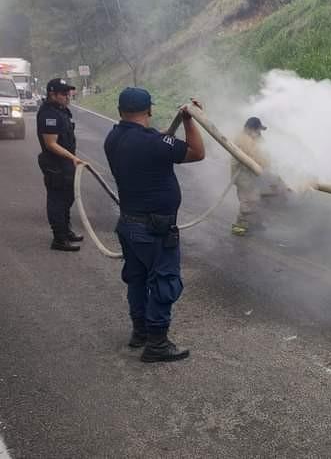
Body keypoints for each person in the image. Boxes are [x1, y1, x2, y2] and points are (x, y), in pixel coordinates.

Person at [104, 88, 205, 363]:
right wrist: (189, 120)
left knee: (136, 280)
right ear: (149, 111)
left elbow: (156, 142)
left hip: (128, 225)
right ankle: (157, 344)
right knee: (163, 282)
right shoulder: (154, 141)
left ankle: (140, 332)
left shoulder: (114, 137)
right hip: (154, 229)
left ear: (119, 110)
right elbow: (197, 152)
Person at [36, 78, 85, 251]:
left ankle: (66, 230)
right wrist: (72, 157)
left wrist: (71, 159)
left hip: (65, 163)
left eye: (68, 93)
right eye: (64, 93)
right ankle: (59, 239)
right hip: (55, 164)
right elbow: (51, 143)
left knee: (68, 197)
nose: (67, 96)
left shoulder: (61, 110)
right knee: (57, 200)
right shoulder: (48, 114)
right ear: (52, 94)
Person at [231, 116, 269, 236]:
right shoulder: (243, 140)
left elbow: (264, 151)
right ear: (250, 129)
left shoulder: (254, 138)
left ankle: (255, 223)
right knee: (248, 200)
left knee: (257, 198)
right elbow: (257, 157)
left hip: (252, 174)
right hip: (243, 176)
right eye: (258, 130)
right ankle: (239, 227)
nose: (259, 133)